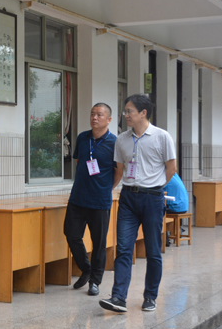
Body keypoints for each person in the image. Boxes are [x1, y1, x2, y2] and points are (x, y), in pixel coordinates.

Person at [99, 94, 176, 313]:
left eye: (129, 111)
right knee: (124, 248)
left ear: (143, 113)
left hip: (152, 199)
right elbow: (120, 169)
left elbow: (171, 168)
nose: (126, 115)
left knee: (153, 250)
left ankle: (150, 296)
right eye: (125, 111)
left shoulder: (162, 136)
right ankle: (118, 297)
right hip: (128, 199)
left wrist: (154, 186)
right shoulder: (122, 139)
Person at [64, 103, 117, 297]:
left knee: (99, 242)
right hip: (78, 197)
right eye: (92, 114)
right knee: (71, 234)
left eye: (99, 115)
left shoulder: (114, 143)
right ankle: (86, 269)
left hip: (100, 201)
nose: (94, 117)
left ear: (108, 120)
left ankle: (95, 281)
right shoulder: (82, 138)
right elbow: (79, 162)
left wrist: (106, 188)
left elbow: (118, 171)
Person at [163, 173, 189, 246]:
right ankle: (177, 229)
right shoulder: (175, 176)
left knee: (158, 211)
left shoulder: (166, 177)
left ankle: (164, 238)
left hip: (176, 207)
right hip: (184, 206)